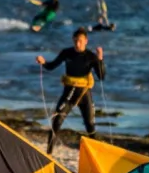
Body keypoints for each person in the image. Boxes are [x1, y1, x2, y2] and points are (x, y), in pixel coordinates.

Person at [36, 27, 104, 155]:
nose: (78, 44)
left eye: (80, 41)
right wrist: (43, 62)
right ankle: (49, 153)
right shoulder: (66, 53)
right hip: (69, 92)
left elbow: (101, 76)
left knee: (90, 124)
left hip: (84, 93)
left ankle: (96, 154)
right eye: (75, 41)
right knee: (56, 120)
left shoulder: (91, 57)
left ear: (86, 41)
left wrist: (100, 59)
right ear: (73, 40)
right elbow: (51, 66)